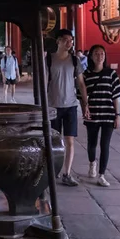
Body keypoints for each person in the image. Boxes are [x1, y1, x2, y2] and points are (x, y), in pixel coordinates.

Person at [46, 29, 89, 187]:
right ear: (58, 41)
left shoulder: (75, 60)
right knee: (54, 141)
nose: (69, 43)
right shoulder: (49, 60)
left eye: (71, 40)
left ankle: (67, 173)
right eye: (66, 40)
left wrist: (85, 104)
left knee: (70, 140)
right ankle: (53, 170)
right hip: (53, 105)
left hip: (70, 104)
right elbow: (44, 82)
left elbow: (81, 83)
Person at [82, 45, 120, 187]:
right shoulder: (86, 74)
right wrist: (85, 109)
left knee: (105, 145)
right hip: (93, 114)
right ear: (91, 56)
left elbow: (115, 96)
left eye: (102, 53)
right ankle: (92, 163)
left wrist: (117, 114)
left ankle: (102, 175)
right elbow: (81, 96)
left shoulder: (111, 74)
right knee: (92, 143)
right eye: (96, 54)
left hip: (108, 114)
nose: (100, 56)